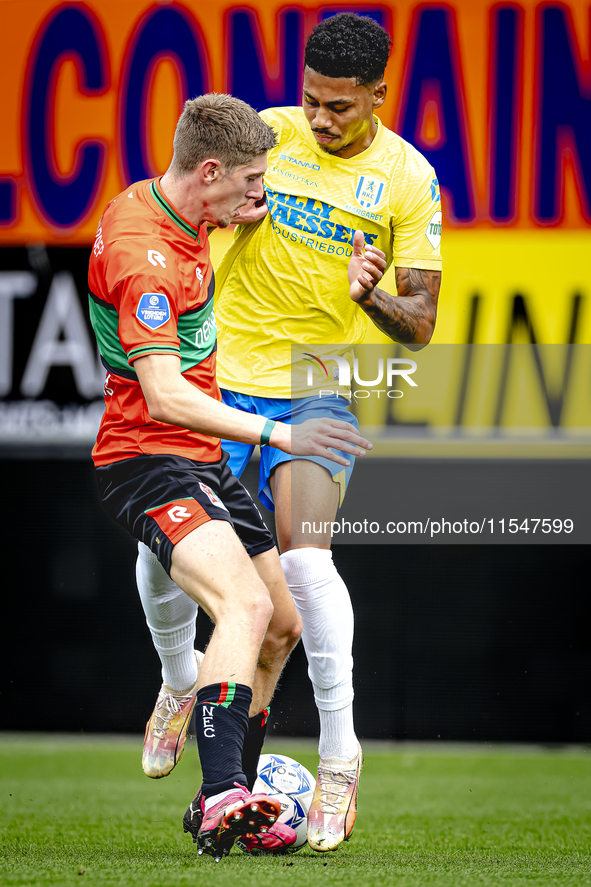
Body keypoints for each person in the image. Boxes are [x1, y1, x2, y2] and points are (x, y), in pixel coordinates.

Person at [138, 12, 442, 853]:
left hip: (314, 395)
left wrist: (369, 297)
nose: (317, 118)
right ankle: (177, 680)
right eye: (310, 99)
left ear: (380, 94)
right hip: (220, 382)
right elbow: (179, 213)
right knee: (163, 541)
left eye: (338, 107)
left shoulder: (408, 180)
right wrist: (218, 220)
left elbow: (418, 322)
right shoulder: (263, 134)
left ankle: (338, 757)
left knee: (302, 570)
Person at [88, 92, 380, 861]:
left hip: (199, 457)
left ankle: (217, 793)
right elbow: (165, 393)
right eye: (253, 179)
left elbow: (256, 213)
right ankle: (222, 788)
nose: (262, 194)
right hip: (145, 458)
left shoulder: (189, 209)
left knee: (280, 624)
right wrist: (285, 430)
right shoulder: (144, 252)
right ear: (209, 170)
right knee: (244, 603)